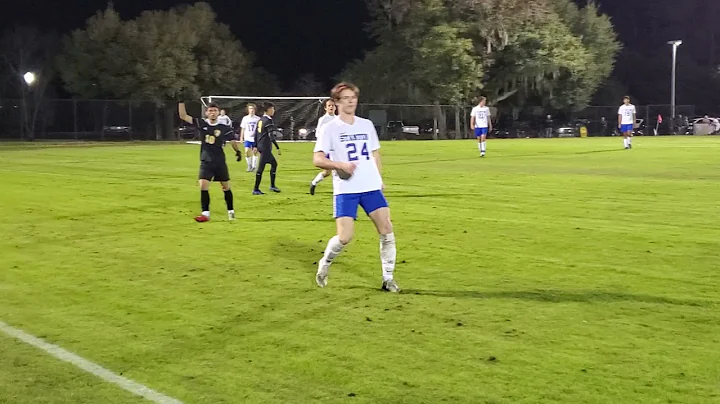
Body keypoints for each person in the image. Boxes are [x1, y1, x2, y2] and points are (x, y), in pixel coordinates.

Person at [312, 82, 400, 293]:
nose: (351, 101)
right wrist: (339, 165)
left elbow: (375, 153)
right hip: (346, 189)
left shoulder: (366, 125)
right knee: (345, 237)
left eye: (353, 97)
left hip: (370, 186)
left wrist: (379, 178)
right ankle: (325, 262)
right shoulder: (329, 128)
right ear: (336, 102)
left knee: (387, 230)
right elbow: (317, 159)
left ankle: (388, 278)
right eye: (345, 98)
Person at [178, 102, 241, 222]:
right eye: (210, 111)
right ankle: (205, 214)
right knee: (203, 185)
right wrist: (181, 102)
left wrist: (237, 152)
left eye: (215, 111)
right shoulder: (201, 123)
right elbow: (183, 116)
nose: (212, 113)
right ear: (206, 113)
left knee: (226, 187)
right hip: (206, 161)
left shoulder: (224, 128)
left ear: (218, 113)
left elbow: (232, 140)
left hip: (219, 162)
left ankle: (231, 212)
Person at [253, 102, 282, 195]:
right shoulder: (269, 121)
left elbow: (256, 134)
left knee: (274, 164)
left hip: (261, 146)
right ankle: (256, 189)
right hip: (265, 147)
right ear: (268, 109)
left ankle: (272, 186)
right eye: (272, 109)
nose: (274, 111)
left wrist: (255, 145)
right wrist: (277, 147)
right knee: (261, 169)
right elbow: (271, 136)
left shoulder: (260, 120)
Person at [309, 99, 337, 195]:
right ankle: (314, 183)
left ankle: (314, 183)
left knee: (335, 170)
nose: (331, 107)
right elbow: (318, 134)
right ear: (325, 108)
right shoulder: (323, 120)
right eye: (329, 105)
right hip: (327, 150)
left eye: (333, 105)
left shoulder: (338, 119)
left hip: (336, 150)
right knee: (328, 172)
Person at [239, 103, 261, 172]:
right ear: (248, 110)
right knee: (247, 152)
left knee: (255, 152)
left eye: (253, 109)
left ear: (255, 110)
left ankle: (254, 167)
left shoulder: (258, 119)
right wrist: (241, 137)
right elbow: (243, 128)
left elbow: (260, 129)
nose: (252, 110)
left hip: (255, 138)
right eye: (250, 109)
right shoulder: (245, 118)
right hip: (247, 138)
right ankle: (249, 165)